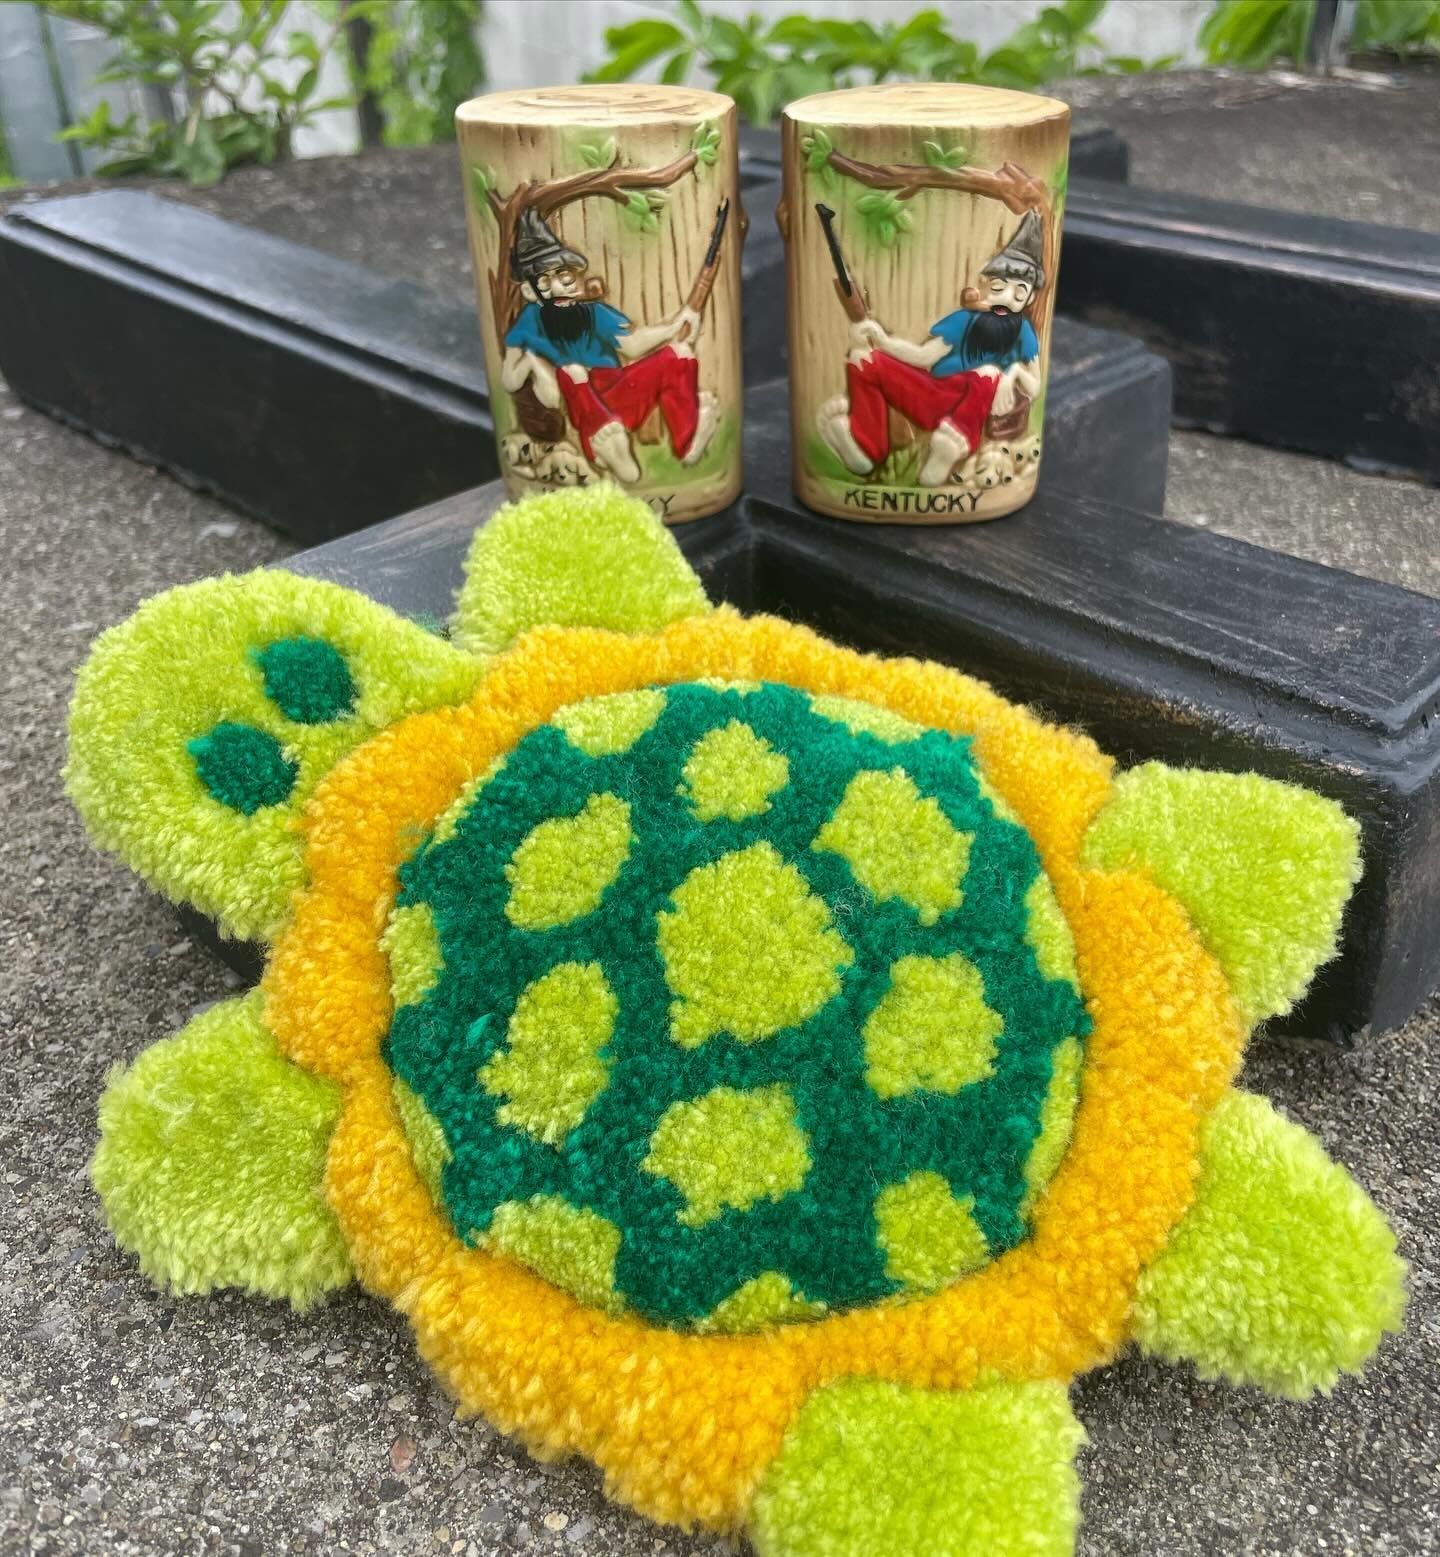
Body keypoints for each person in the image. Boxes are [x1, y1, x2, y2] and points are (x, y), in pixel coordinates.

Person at [818, 210, 1046, 487]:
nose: (1007, 298)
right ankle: (864, 448)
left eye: (1019, 292)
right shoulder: (964, 321)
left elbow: (1034, 385)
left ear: (1031, 296)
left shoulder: (1023, 333)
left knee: (988, 372)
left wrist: (1010, 376)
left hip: (968, 408)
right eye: (999, 288)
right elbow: (924, 356)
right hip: (933, 394)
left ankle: (951, 447)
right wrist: (883, 341)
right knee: (864, 360)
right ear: (985, 287)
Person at [499, 208, 719, 482]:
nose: (557, 289)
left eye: (564, 278)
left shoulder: (593, 313)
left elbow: (634, 345)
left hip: (618, 391)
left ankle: (688, 445)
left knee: (680, 354)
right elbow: (509, 380)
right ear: (530, 291)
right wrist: (531, 361)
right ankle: (605, 449)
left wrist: (674, 327)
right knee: (573, 371)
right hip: (578, 400)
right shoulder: (529, 324)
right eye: (545, 282)